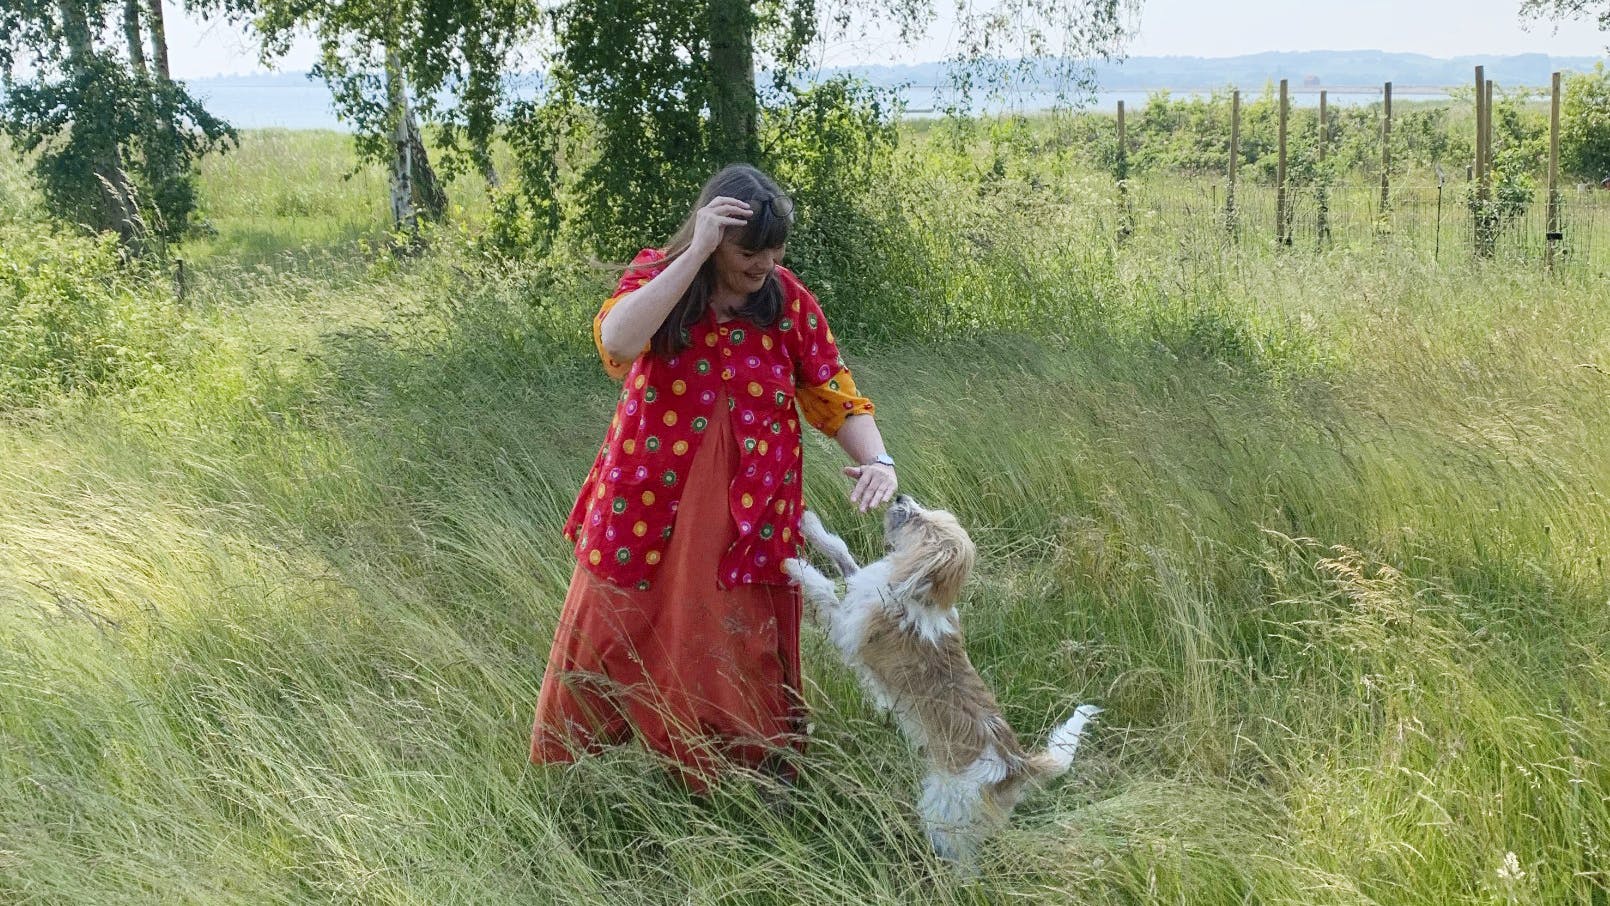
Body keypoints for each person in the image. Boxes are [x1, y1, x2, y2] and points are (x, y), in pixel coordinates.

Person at [530, 164, 898, 791]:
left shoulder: (786, 301)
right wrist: (695, 251)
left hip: (749, 514)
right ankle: (587, 780)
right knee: (620, 624)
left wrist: (879, 461)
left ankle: (736, 781)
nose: (764, 265)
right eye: (748, 251)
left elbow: (835, 392)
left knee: (734, 641)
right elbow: (617, 341)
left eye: (774, 250)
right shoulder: (658, 277)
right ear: (712, 237)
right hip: (648, 504)